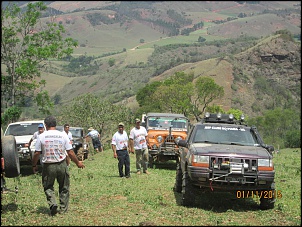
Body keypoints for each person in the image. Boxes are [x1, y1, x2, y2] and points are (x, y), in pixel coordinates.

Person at [32, 116, 85, 216]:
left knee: (48, 186)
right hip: (61, 164)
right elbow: (70, 152)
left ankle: (53, 204)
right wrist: (78, 163)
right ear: (55, 125)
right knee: (64, 186)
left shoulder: (41, 136)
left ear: (46, 125)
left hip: (48, 166)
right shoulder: (63, 135)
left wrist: (34, 165)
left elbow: (36, 153)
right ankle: (63, 209)